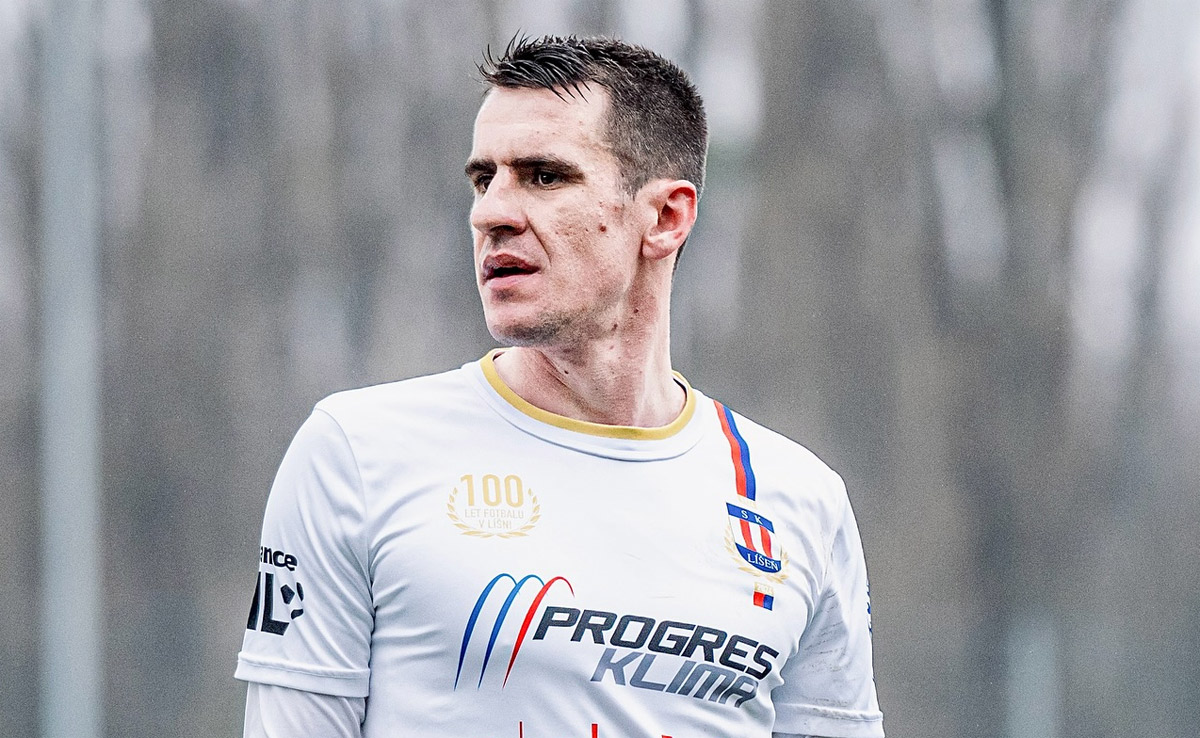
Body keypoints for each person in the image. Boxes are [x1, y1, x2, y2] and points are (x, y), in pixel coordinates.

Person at [236, 35, 884, 738]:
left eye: (544, 176)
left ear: (665, 217)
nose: (492, 213)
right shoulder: (357, 455)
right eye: (483, 179)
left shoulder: (801, 501)